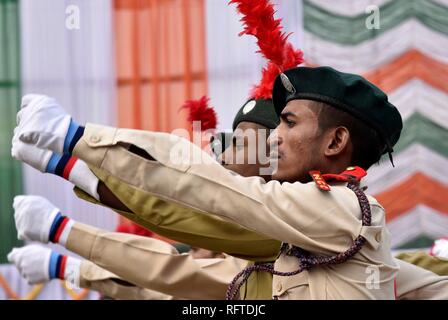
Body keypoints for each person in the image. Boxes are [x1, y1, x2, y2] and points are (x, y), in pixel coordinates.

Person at [12, 65, 409, 299]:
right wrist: (63, 241)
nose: (272, 139)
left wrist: (77, 140)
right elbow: (184, 278)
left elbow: (213, 196)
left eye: (287, 124)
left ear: (337, 141)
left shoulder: (344, 210)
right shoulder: (302, 236)